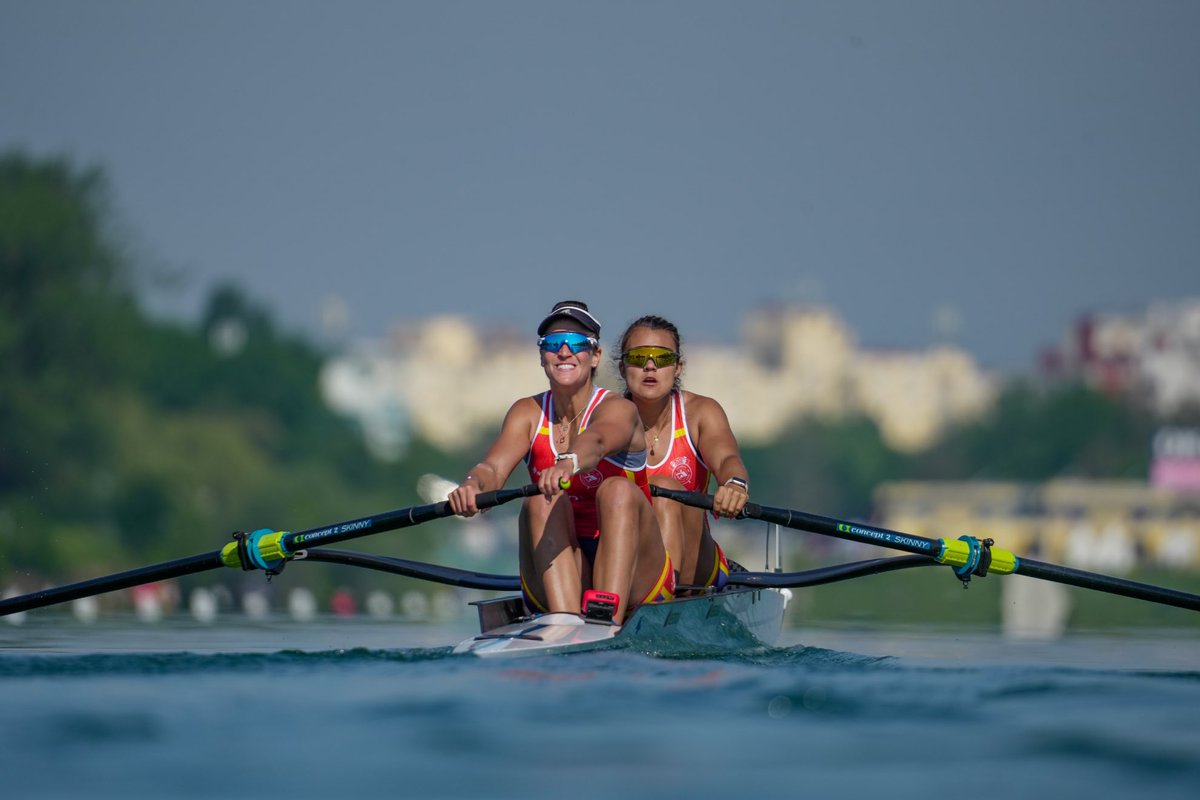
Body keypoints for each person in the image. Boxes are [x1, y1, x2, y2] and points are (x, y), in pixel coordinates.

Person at [448, 301, 674, 624]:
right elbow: (492, 469)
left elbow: (598, 440)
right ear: (542, 356)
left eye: (578, 343)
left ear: (595, 356)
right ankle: (565, 624)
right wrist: (472, 487)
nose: (565, 351)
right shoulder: (526, 413)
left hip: (638, 573)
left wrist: (569, 462)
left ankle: (604, 619)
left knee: (617, 490)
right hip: (560, 565)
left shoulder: (619, 409)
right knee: (540, 498)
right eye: (554, 343)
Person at [616, 315, 750, 593]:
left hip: (696, 565)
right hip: (625, 556)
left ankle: (665, 597)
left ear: (678, 367)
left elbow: (727, 459)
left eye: (662, 358)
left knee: (663, 490)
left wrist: (734, 484)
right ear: (622, 367)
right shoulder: (604, 419)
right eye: (639, 357)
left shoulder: (701, 412)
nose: (650, 366)